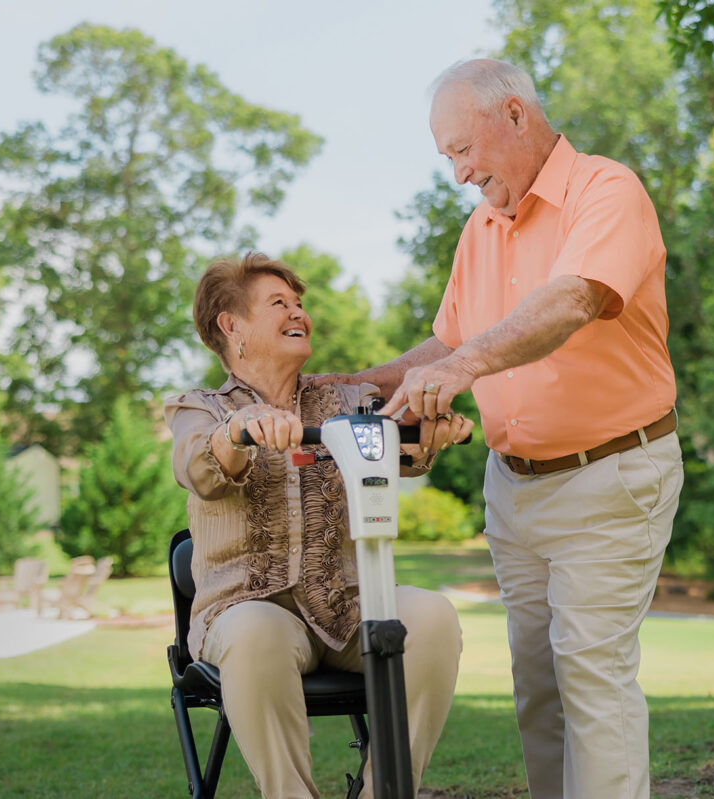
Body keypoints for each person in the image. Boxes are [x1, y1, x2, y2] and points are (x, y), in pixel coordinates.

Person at [326, 59, 684, 799]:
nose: (458, 173)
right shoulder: (482, 228)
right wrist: (357, 380)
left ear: (516, 115)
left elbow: (574, 300)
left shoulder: (605, 191)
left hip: (609, 474)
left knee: (592, 677)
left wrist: (463, 370)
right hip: (514, 489)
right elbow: (448, 343)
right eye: (446, 158)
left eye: (462, 150)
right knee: (540, 689)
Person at [165, 251, 470, 798]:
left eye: (299, 304)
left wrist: (429, 430)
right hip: (248, 610)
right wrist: (240, 430)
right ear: (231, 327)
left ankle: (385, 792)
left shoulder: (349, 402)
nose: (298, 313)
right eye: (278, 303)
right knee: (257, 631)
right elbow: (196, 465)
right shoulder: (201, 408)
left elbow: (399, 438)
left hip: (348, 609)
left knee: (432, 616)